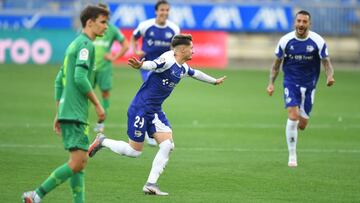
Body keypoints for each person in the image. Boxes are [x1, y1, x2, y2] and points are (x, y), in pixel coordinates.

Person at [88, 34, 226, 195]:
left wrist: (214, 81)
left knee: (168, 145)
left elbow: (196, 74)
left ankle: (150, 184)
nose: (194, 51)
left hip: (155, 110)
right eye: (191, 48)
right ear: (182, 49)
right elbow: (153, 64)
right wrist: (141, 65)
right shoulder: (168, 59)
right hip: (140, 108)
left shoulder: (183, 68)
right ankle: (102, 141)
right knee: (134, 152)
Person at [22, 5, 108, 203]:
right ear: (90, 22)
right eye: (103, 22)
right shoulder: (86, 45)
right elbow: (79, 77)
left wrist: (59, 111)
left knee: (79, 163)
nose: (106, 27)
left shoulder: (74, 44)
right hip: (75, 111)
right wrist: (97, 104)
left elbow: (59, 79)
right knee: (78, 162)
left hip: (69, 111)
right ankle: (36, 195)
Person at [266, 10, 335, 168]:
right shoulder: (285, 40)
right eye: (299, 21)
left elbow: (326, 63)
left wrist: (330, 76)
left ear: (310, 24)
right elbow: (276, 65)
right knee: (293, 115)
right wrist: (271, 83)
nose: (301, 24)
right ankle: (292, 156)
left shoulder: (318, 41)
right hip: (290, 82)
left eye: (305, 22)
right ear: (295, 22)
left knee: (302, 124)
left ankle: (292, 130)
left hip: (310, 85)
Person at [131, 0, 180, 146]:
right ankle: (148, 130)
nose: (164, 13)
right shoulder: (146, 25)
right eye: (162, 10)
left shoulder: (174, 29)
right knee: (151, 97)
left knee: (154, 99)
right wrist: (136, 50)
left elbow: (175, 48)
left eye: (167, 10)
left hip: (164, 68)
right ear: (156, 11)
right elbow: (134, 37)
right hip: (148, 66)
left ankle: (149, 128)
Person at [93, 3, 130, 133]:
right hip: (89, 67)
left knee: (105, 94)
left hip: (104, 68)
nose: (105, 15)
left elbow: (126, 45)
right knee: (83, 94)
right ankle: (81, 120)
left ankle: (101, 122)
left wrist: (114, 57)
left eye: (106, 13)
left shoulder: (112, 29)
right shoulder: (90, 27)